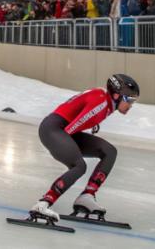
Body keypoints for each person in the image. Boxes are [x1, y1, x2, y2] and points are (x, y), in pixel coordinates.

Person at [30, 74, 140, 223]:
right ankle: (43, 203)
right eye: (130, 99)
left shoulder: (105, 101)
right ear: (116, 96)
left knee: (109, 151)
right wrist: (63, 148)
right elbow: (72, 128)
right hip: (53, 129)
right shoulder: (101, 103)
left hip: (62, 129)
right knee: (79, 166)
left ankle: (87, 196)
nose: (131, 105)